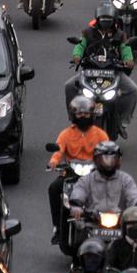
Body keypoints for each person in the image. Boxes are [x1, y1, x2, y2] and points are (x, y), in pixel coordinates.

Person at [68, 6, 137, 135]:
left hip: (114, 72)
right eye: (103, 18)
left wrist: (128, 60)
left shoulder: (120, 35)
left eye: (108, 19)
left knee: (133, 90)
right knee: (68, 86)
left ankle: (123, 122)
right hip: (89, 72)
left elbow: (125, 49)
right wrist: (77, 56)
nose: (106, 22)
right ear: (97, 19)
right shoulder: (87, 32)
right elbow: (80, 45)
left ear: (114, 20)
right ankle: (73, 119)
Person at [47, 96, 111, 242]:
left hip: (93, 174)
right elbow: (58, 150)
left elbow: (108, 151)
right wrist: (53, 162)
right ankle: (57, 227)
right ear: (73, 115)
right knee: (54, 189)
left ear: (92, 115)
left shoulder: (100, 134)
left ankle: (107, 225)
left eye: (86, 114)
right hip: (71, 174)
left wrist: (107, 163)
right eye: (80, 114)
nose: (83, 117)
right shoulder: (66, 134)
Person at [69, 140, 137, 220]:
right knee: (78, 224)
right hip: (92, 221)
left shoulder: (125, 179)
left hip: (119, 220)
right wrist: (77, 205)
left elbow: (133, 193)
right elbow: (79, 191)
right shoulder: (87, 180)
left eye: (113, 158)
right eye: (105, 158)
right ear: (96, 159)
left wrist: (136, 203)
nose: (109, 163)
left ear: (118, 160)